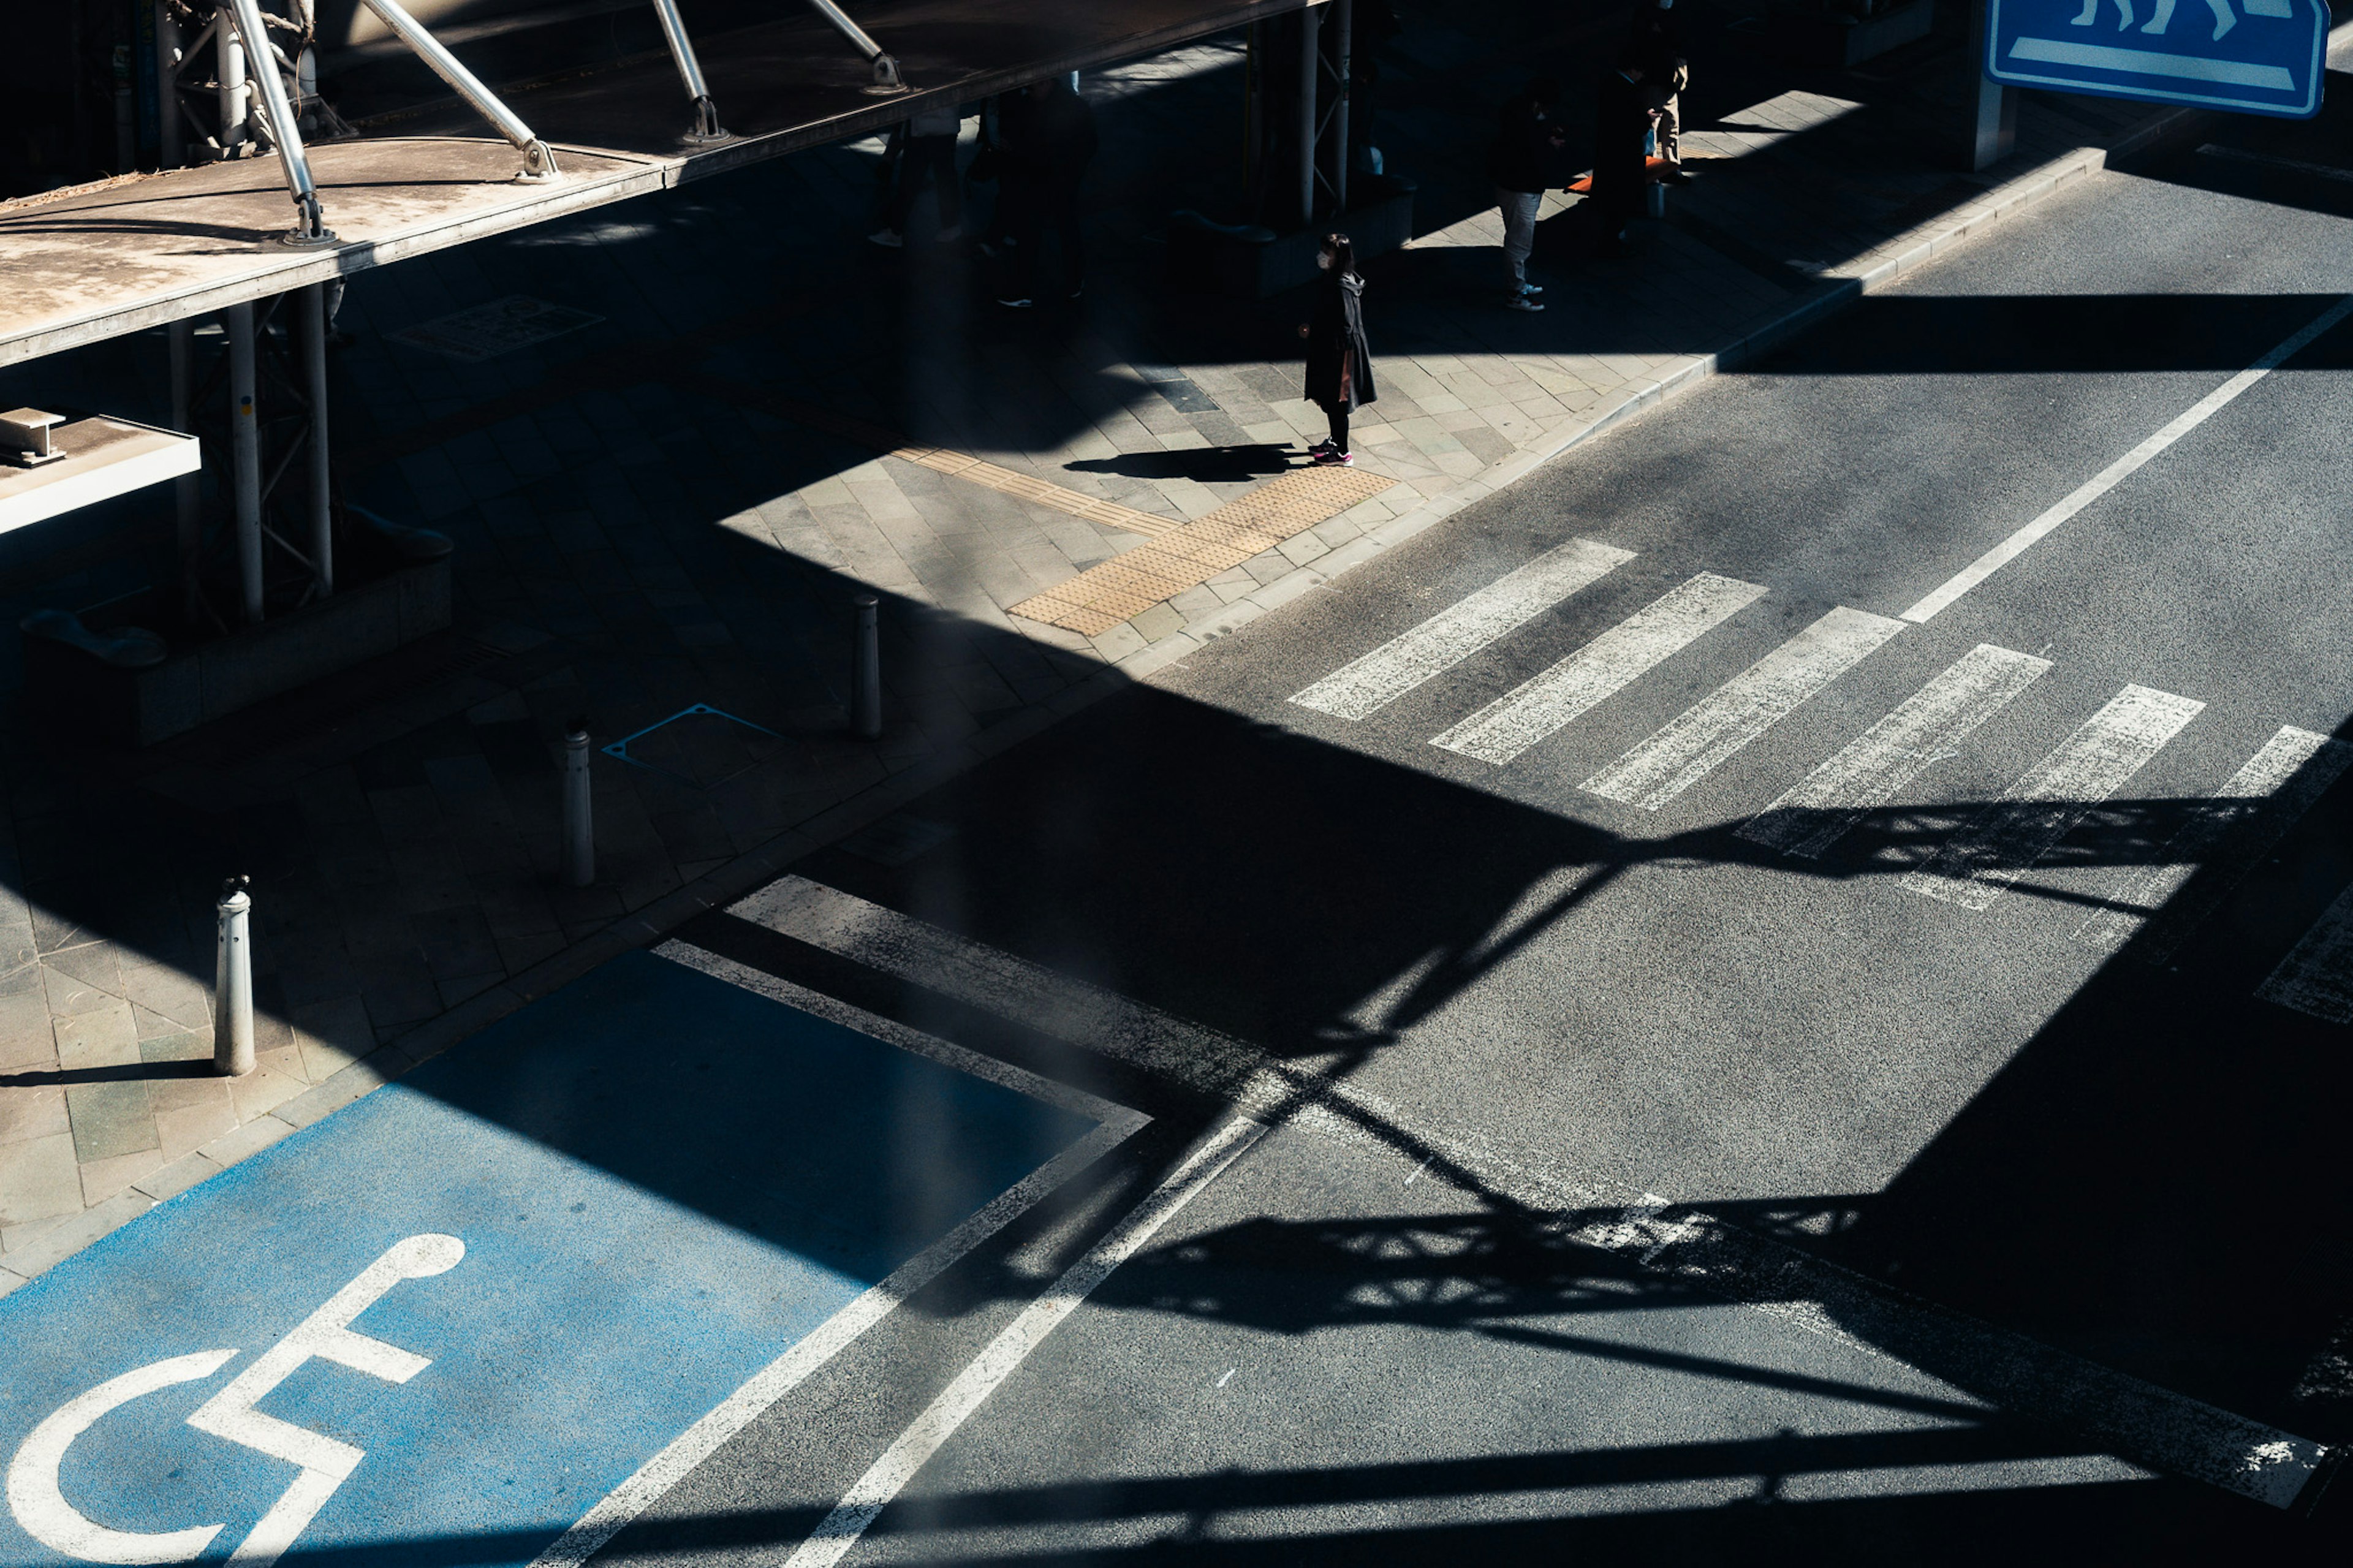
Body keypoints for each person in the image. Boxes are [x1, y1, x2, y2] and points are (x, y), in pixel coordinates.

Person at [998, 76, 1097, 306]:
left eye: (1031, 88)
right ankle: (1074, 281)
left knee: (1034, 233)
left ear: (1045, 84)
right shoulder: (1071, 106)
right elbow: (1090, 144)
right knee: (1065, 230)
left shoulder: (1039, 107)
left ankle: (1023, 289)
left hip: (1045, 179)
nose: (1028, 92)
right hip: (1058, 180)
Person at [1297, 233, 1376, 466]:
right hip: (1338, 352)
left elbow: (1344, 327)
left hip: (1341, 356)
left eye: (1327, 253)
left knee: (1337, 403)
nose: (1322, 256)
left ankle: (1342, 453)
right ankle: (1334, 441)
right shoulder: (1339, 278)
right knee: (1331, 401)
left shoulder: (1340, 287)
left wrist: (1319, 336)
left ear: (1337, 257)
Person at [1487, 77, 1564, 311]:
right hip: (1522, 188)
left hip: (1515, 185)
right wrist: (1550, 145)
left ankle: (1519, 283)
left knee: (1517, 237)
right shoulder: (1525, 125)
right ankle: (1516, 293)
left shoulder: (1517, 114)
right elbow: (1531, 153)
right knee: (1520, 242)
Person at [870, 100, 966, 246]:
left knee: (912, 177)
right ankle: (950, 225)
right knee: (943, 175)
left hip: (926, 124)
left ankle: (895, 230)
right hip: (938, 123)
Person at [1588, 50, 1655, 257]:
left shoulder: (1609, 83)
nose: (1642, 77)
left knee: (1611, 198)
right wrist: (1649, 118)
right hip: (1625, 156)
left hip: (1608, 151)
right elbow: (1635, 124)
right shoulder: (1630, 92)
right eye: (1641, 72)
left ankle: (1611, 235)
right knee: (1621, 199)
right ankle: (1613, 240)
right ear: (1633, 70)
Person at [1630, 0, 1692, 185]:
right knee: (1653, 128)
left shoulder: (1668, 15)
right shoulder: (1645, 15)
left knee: (1670, 126)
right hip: (1655, 82)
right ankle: (1652, 169)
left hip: (1667, 81)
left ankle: (1670, 167)